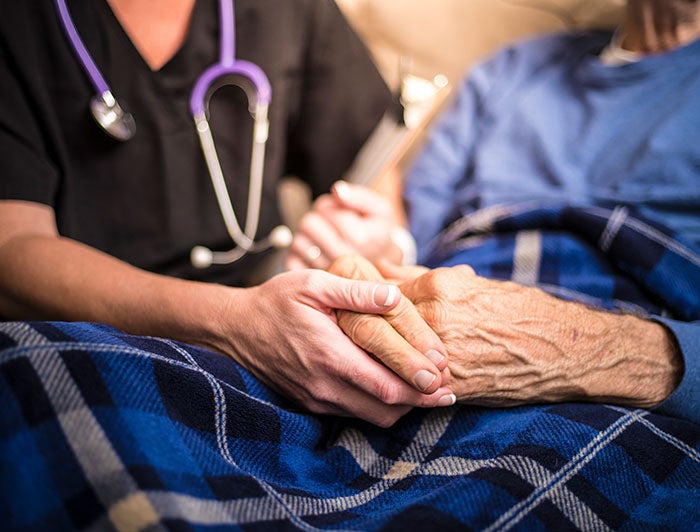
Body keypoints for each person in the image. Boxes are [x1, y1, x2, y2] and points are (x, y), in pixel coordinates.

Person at [0, 0, 457, 427]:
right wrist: (235, 325)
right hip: (84, 345)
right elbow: (11, 251)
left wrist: (382, 240)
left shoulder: (290, 12)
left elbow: (372, 173)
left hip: (280, 333)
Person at [288, 0, 700, 424]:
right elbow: (415, 236)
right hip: (451, 308)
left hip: (627, 341)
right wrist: (381, 245)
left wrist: (585, 350)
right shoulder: (511, 68)